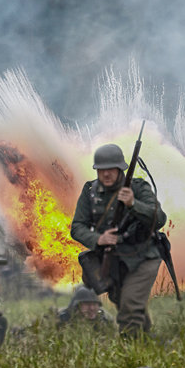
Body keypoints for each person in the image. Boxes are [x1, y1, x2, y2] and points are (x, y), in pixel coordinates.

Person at [70, 143, 167, 336]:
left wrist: (133, 204)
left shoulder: (138, 188)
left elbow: (160, 219)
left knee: (130, 305)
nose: (106, 174)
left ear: (120, 168)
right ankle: (148, 341)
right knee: (124, 303)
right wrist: (98, 239)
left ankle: (128, 354)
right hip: (114, 260)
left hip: (143, 256)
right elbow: (77, 227)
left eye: (111, 169)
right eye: (101, 170)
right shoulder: (90, 192)